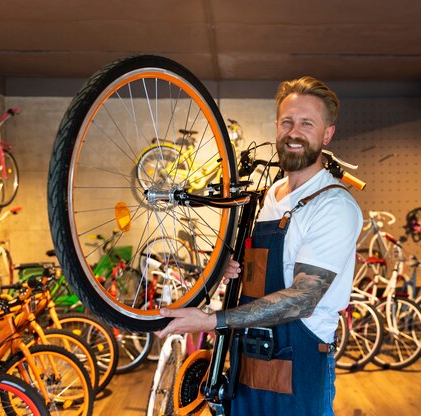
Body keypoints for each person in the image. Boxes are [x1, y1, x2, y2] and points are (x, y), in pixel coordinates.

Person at [155, 76, 363, 415]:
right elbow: (259, 271)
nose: (294, 132)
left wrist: (211, 320)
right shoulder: (271, 195)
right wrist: (233, 266)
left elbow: (302, 299)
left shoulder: (333, 205)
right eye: (287, 122)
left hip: (298, 365)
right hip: (247, 362)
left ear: (327, 134)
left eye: (307, 123)